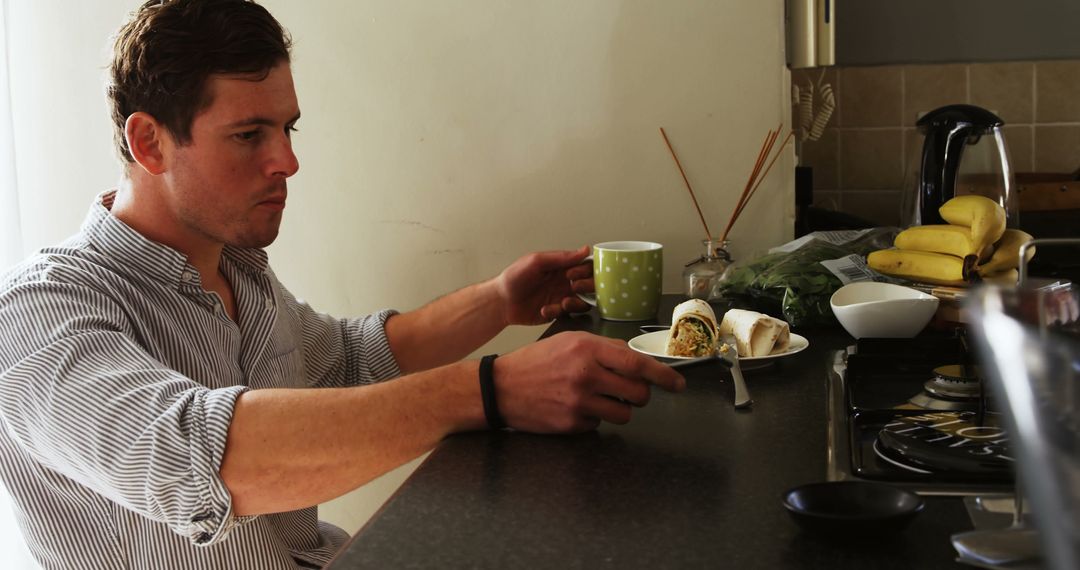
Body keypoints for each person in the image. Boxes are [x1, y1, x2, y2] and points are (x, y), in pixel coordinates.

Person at [0, 1, 685, 568]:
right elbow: (205, 460)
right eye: (249, 134)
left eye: (287, 128)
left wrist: (498, 300)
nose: (288, 161)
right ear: (149, 143)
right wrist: (489, 391)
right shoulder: (37, 316)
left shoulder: (237, 270)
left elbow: (349, 360)